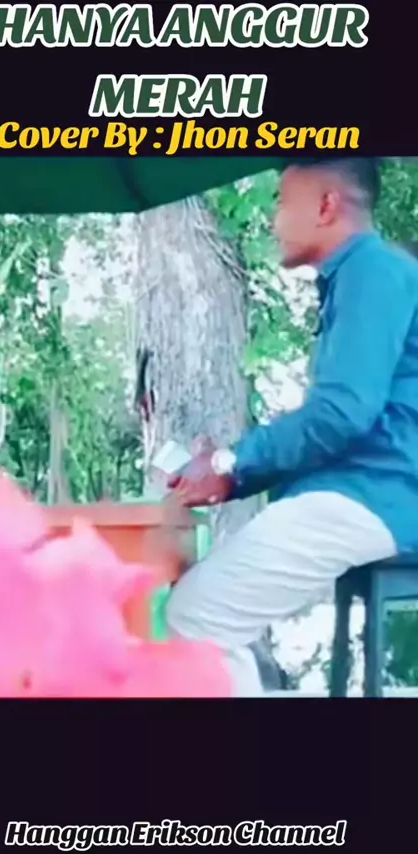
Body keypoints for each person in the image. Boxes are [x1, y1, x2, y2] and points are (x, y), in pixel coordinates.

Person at [166, 157, 418, 697]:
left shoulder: (372, 271)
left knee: (196, 616)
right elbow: (339, 419)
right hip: (370, 490)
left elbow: (341, 415)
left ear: (326, 206)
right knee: (201, 611)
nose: (272, 218)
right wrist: (233, 475)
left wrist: (231, 462)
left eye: (282, 202)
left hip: (377, 495)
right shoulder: (362, 277)